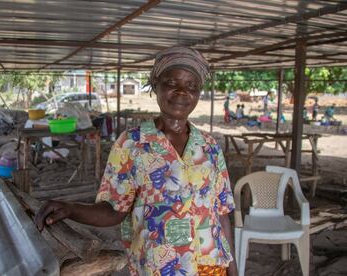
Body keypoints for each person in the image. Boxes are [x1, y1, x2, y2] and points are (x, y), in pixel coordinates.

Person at [36, 46, 237, 276]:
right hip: (158, 267)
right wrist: (71, 209)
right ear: (156, 84)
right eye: (172, 83)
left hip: (210, 267)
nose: (182, 92)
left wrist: (233, 270)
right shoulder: (132, 144)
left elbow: (222, 213)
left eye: (192, 86)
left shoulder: (209, 146)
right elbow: (114, 210)